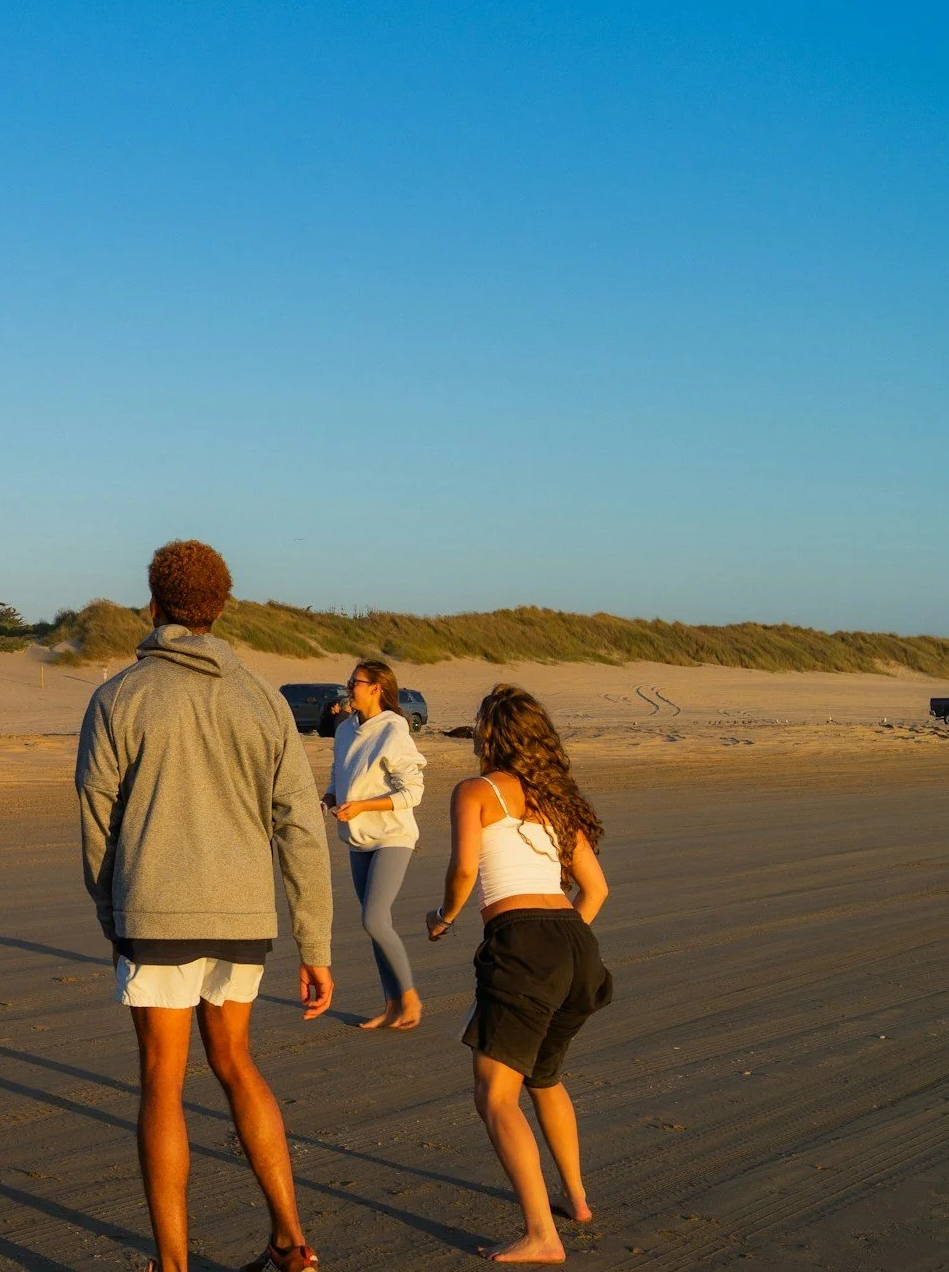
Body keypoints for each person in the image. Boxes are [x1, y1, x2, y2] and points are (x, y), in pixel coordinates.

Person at [76, 540, 335, 1272]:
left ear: (153, 604)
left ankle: (173, 1263)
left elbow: (97, 823)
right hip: (243, 915)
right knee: (236, 1061)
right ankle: (291, 1238)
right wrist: (314, 944)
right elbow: (301, 827)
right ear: (219, 609)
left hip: (153, 910)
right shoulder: (261, 698)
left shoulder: (120, 696)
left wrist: (112, 916)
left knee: (163, 1078)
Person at [425, 685, 612, 1265]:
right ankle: (576, 1199)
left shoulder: (475, 791)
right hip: (577, 946)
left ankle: (541, 1233)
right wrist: (561, 946)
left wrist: (444, 918)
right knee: (545, 1077)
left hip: (523, 942)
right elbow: (596, 889)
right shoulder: (557, 799)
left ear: (489, 736)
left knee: (494, 1093)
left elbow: (463, 869)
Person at [323, 659, 427, 1030]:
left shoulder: (394, 730)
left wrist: (363, 805)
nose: (348, 687)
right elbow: (339, 773)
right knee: (376, 924)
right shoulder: (345, 730)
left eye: (355, 682)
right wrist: (330, 798)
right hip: (357, 839)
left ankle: (411, 999)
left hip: (392, 837)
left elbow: (412, 792)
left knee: (374, 918)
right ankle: (391, 1005)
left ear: (376, 688)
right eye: (350, 681)